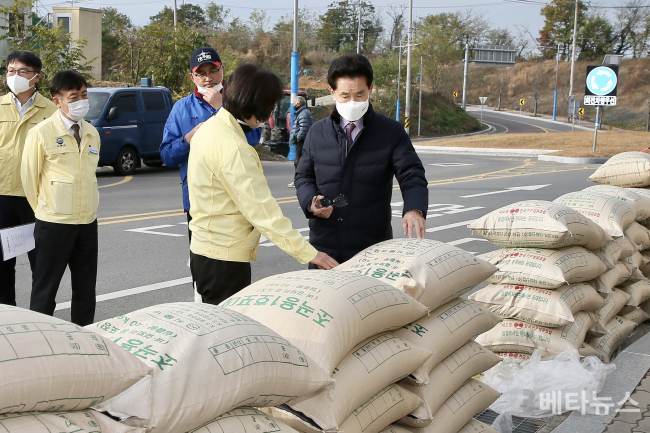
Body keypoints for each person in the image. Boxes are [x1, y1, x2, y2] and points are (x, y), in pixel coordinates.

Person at [187, 64, 339, 305]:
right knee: (228, 332)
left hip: (204, 250)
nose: (270, 113)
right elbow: (264, 213)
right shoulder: (235, 149)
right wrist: (310, 254)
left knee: (214, 326)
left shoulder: (210, 129)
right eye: (269, 106)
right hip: (224, 260)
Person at [295, 53, 429, 266]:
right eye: (345, 95)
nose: (353, 102)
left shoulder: (390, 132)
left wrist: (414, 208)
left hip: (372, 248)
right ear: (332, 92)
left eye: (359, 94)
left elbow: (412, 174)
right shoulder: (316, 132)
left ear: (370, 90)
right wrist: (310, 202)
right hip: (325, 247)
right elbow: (303, 177)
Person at [21, 70, 100, 326]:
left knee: (86, 290)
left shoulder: (91, 133)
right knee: (45, 290)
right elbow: (29, 180)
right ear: (57, 101)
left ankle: (85, 337)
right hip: (53, 224)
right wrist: (49, 209)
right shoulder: (41, 133)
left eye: (84, 94)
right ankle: (41, 339)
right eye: (74, 96)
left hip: (87, 222)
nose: (81, 101)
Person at [160, 47, 261, 238]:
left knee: (236, 261)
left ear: (222, 70)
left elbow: (252, 139)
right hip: (199, 201)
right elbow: (167, 156)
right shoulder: (181, 108)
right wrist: (188, 138)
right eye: (201, 73)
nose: (208, 78)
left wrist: (222, 108)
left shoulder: (240, 101)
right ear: (192, 77)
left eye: (213, 70)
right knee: (202, 262)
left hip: (236, 198)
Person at [0, 50, 57, 306]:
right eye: (11, 71)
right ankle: (6, 319)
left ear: (36, 77)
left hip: (38, 199)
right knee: (2, 265)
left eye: (22, 71)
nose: (15, 76)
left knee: (42, 265)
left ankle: (42, 317)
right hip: (2, 197)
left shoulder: (52, 110)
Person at [287, 96, 313, 188]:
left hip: (302, 141)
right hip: (303, 141)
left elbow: (304, 128)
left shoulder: (303, 114)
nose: (293, 105)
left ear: (299, 104)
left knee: (298, 162)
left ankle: (298, 181)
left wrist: (298, 137)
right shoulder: (302, 113)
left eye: (294, 103)